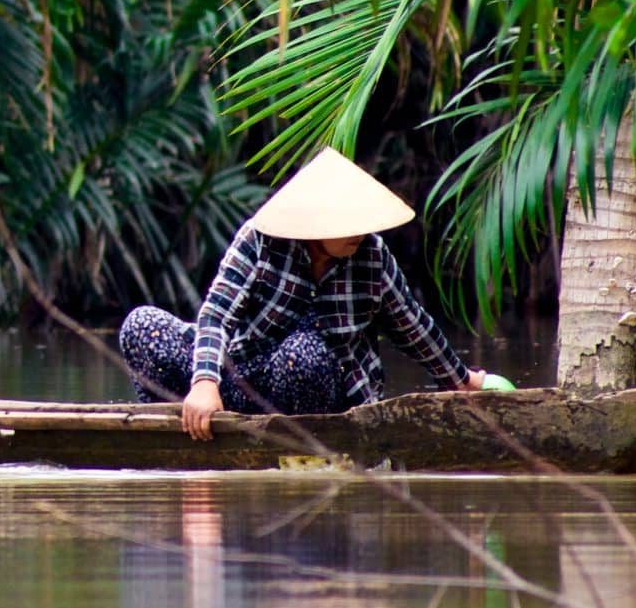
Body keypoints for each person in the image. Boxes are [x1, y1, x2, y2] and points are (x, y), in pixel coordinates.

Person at [118, 146, 495, 439]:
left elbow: (412, 326)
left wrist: (459, 380)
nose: (358, 233)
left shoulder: (372, 256)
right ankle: (190, 426)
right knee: (142, 326)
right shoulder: (261, 240)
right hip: (247, 377)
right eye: (347, 224)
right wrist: (204, 382)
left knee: (304, 356)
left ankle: (293, 444)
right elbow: (217, 313)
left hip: (320, 391)